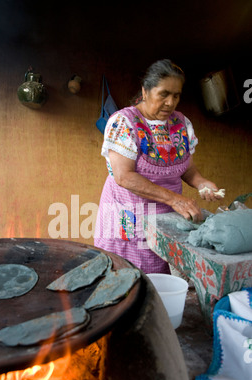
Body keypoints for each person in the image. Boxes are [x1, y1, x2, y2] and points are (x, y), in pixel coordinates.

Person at [94, 59, 224, 274]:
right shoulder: (123, 123)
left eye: (176, 95)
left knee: (160, 277)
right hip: (127, 217)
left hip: (167, 219)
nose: (170, 103)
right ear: (145, 91)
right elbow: (124, 176)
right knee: (125, 277)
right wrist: (175, 199)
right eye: (164, 94)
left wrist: (201, 183)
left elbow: (186, 168)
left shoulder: (181, 124)